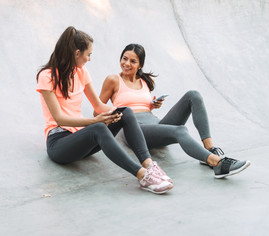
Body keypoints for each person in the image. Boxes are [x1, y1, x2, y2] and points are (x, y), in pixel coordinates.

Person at [36, 27, 173, 194]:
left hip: (81, 139)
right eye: (88, 54)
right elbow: (60, 119)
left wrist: (119, 114)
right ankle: (143, 176)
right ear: (77, 53)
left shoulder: (81, 72)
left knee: (125, 111)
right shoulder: (47, 76)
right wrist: (94, 121)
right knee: (98, 128)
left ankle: (149, 166)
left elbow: (99, 106)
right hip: (59, 143)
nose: (89, 59)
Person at [96, 43, 250, 179]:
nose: (127, 63)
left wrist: (153, 105)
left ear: (140, 65)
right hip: (134, 130)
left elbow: (141, 105)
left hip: (154, 125)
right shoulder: (113, 80)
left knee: (193, 95)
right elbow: (97, 111)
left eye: (133, 61)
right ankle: (217, 164)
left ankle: (209, 149)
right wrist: (114, 112)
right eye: (124, 58)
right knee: (181, 130)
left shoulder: (145, 81)